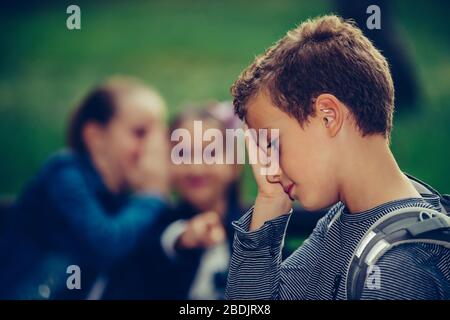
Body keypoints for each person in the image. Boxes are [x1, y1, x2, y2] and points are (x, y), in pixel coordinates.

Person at [225, 15, 450, 300]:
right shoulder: (343, 219)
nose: (270, 169)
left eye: (273, 144)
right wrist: (270, 202)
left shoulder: (400, 268)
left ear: (328, 116)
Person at [0, 76, 170, 299]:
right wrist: (151, 195)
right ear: (95, 137)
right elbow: (105, 243)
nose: (153, 147)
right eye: (140, 133)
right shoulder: (64, 173)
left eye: (160, 135)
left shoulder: (123, 198)